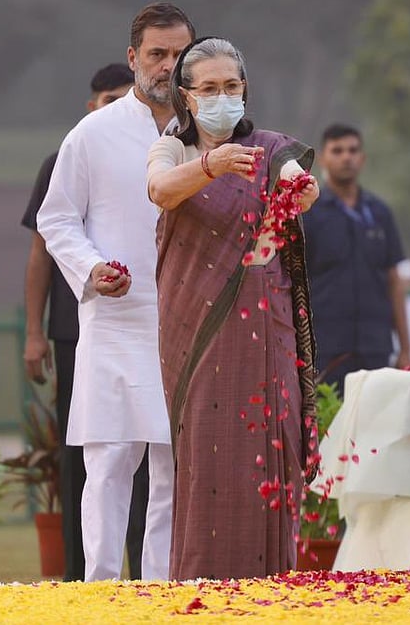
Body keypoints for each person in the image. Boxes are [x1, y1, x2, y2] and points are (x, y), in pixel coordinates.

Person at [147, 36, 320, 580]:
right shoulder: (172, 150)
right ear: (187, 97)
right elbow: (159, 190)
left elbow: (294, 178)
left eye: (232, 86)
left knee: (272, 456)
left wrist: (300, 186)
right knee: (209, 463)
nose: (223, 97)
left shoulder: (270, 148)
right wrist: (213, 165)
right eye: (210, 88)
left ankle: (270, 590)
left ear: (245, 89)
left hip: (265, 334)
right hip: (198, 338)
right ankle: (202, 587)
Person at [36, 2, 194, 582]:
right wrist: (92, 268)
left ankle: (161, 595)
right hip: (118, 318)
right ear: (134, 58)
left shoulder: (207, 137)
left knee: (175, 468)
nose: (168, 67)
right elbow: (56, 220)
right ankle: (99, 596)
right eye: (157, 54)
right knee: (108, 466)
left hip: (186, 324)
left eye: (180, 54)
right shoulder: (93, 135)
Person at [20, 62, 154, 581]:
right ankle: (84, 576)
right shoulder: (68, 153)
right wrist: (35, 330)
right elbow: (41, 249)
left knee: (149, 454)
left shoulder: (166, 152)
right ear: (91, 105)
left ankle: (149, 574)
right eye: (106, 99)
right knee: (90, 455)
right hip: (77, 328)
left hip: (143, 323)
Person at [301, 124, 410, 390]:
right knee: (331, 426)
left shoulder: (379, 212)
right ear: (324, 158)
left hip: (375, 346)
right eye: (337, 151)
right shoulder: (309, 213)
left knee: (378, 425)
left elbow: (394, 281)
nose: (346, 157)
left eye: (352, 150)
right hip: (326, 348)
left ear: (362, 158)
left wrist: (406, 348)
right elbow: (296, 283)